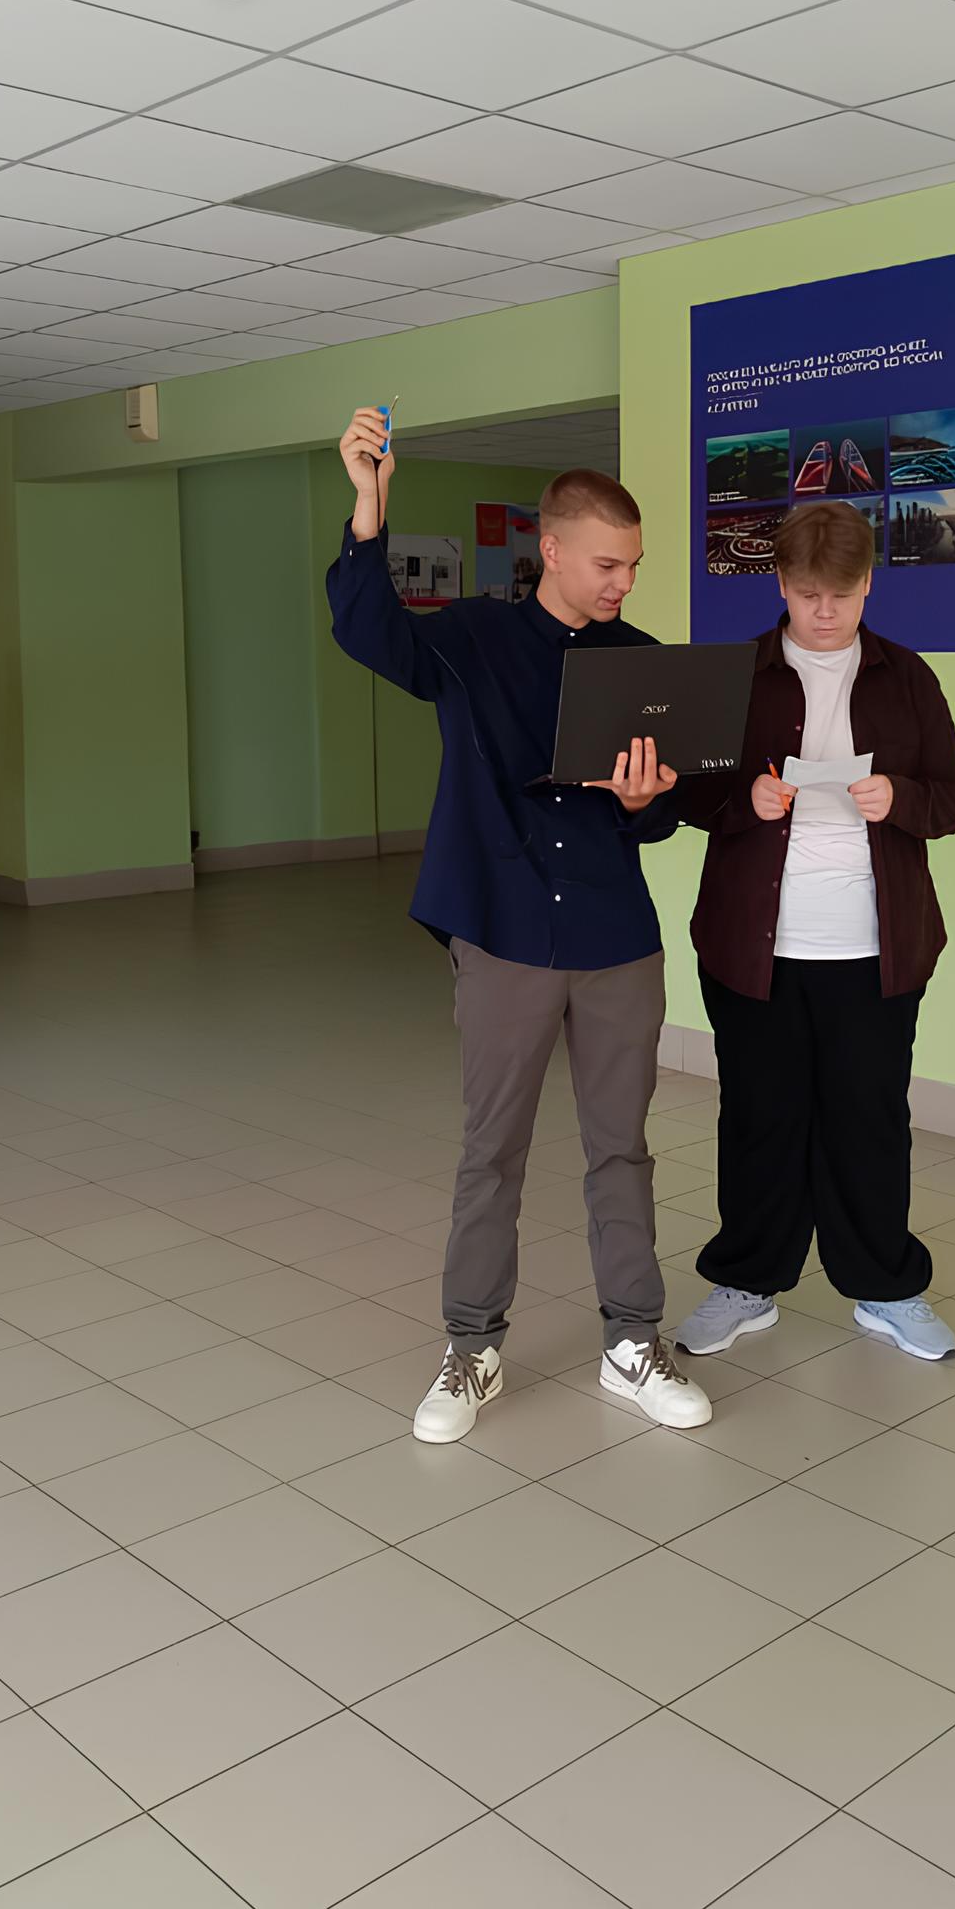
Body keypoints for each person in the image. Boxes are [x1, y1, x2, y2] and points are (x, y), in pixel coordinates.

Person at [327, 406, 711, 1444]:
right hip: (500, 930)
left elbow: (664, 813)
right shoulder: (472, 639)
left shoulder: (643, 664)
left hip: (616, 940)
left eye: (633, 566)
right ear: (553, 549)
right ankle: (472, 1347)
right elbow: (368, 631)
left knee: (621, 1149)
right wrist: (369, 508)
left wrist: (648, 801)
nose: (624, 583)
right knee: (491, 1149)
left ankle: (633, 1340)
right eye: (608, 564)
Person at [672, 500, 955, 1363]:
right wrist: (745, 800)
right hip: (754, 948)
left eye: (841, 594)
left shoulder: (908, 678)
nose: (825, 612)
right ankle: (747, 1282)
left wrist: (900, 799)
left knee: (868, 1120)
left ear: (868, 583)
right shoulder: (738, 674)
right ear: (782, 585)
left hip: (875, 949)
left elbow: (954, 798)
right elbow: (688, 796)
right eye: (808, 595)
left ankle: (886, 1287)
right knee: (757, 1117)